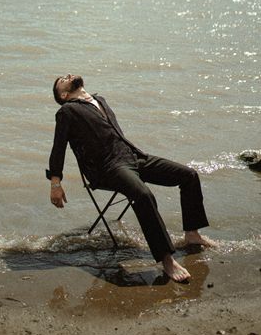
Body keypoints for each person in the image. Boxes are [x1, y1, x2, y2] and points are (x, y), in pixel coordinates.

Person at [47, 74, 215, 282]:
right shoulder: (67, 111)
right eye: (62, 80)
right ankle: (167, 260)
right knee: (143, 195)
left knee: (188, 175)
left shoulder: (99, 100)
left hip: (133, 157)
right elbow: (58, 147)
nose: (68, 75)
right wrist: (56, 182)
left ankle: (192, 234)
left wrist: (134, 157)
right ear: (64, 94)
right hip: (108, 168)